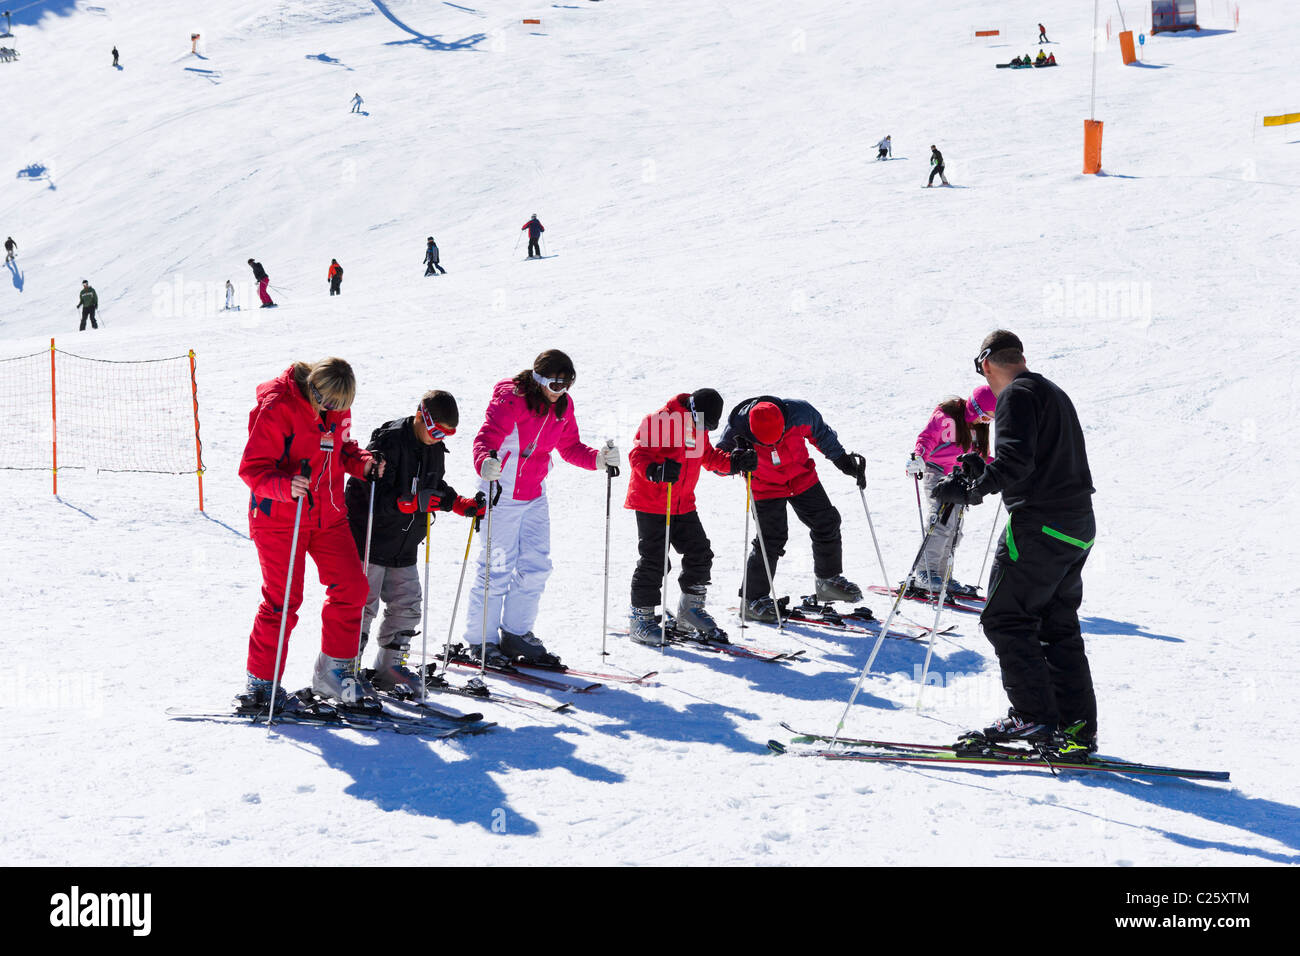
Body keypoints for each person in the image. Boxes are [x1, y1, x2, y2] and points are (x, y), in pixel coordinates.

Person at [932, 330, 1098, 757]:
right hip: (1076, 524)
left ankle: (1032, 716)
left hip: (1040, 523)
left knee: (1005, 618)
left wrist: (969, 489)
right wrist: (980, 467)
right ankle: (1076, 727)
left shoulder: (1015, 396)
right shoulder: (1051, 391)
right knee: (1056, 626)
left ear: (985, 364)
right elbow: (1030, 458)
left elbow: (1016, 463)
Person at [239, 357, 385, 712]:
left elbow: (343, 448)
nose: (332, 409)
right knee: (283, 600)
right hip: (281, 516)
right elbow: (252, 468)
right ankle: (261, 684)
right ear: (313, 386)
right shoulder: (277, 406)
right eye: (327, 401)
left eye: (340, 405)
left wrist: (364, 463)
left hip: (328, 513)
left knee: (353, 587)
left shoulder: (334, 408)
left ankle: (333, 673)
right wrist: (285, 485)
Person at [463, 349, 618, 666]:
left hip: (534, 494)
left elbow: (570, 446)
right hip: (500, 493)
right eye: (554, 384)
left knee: (537, 565)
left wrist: (598, 459)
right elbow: (486, 436)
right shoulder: (511, 399)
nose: (559, 391)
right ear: (537, 378)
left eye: (566, 385)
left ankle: (516, 632)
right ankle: (481, 641)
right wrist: (485, 462)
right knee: (497, 567)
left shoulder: (563, 406)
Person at [345, 390, 484, 693]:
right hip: (370, 541)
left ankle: (389, 667)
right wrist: (403, 503)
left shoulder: (434, 448)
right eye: (435, 430)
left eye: (447, 434)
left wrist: (459, 504)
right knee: (360, 608)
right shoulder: (389, 442)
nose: (438, 438)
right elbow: (360, 492)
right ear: (421, 414)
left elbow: (433, 488)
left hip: (405, 545)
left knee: (408, 606)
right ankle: (345, 668)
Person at [716, 396, 866, 621]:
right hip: (765, 485)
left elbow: (821, 434)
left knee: (827, 521)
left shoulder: (800, 413)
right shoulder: (737, 428)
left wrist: (842, 461)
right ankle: (752, 599)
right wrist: (735, 462)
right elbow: (717, 462)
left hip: (801, 476)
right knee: (771, 539)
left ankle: (828, 581)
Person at [624, 389, 755, 645]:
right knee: (655, 560)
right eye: (703, 423)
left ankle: (689, 612)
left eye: (709, 425)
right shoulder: (663, 420)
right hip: (653, 502)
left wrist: (734, 463)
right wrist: (655, 470)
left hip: (683, 503)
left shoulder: (698, 426)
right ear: (694, 410)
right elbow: (638, 455)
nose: (704, 428)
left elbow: (707, 456)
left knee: (700, 553)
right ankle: (641, 620)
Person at [904, 384, 996, 595]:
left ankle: (943, 575)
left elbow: (980, 458)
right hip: (937, 472)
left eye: (990, 418)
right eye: (985, 415)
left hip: (959, 478)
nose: (986, 421)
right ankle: (925, 573)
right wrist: (919, 457)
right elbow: (926, 438)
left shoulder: (979, 430)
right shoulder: (947, 416)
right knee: (941, 521)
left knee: (955, 528)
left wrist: (1003, 464)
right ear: (976, 408)